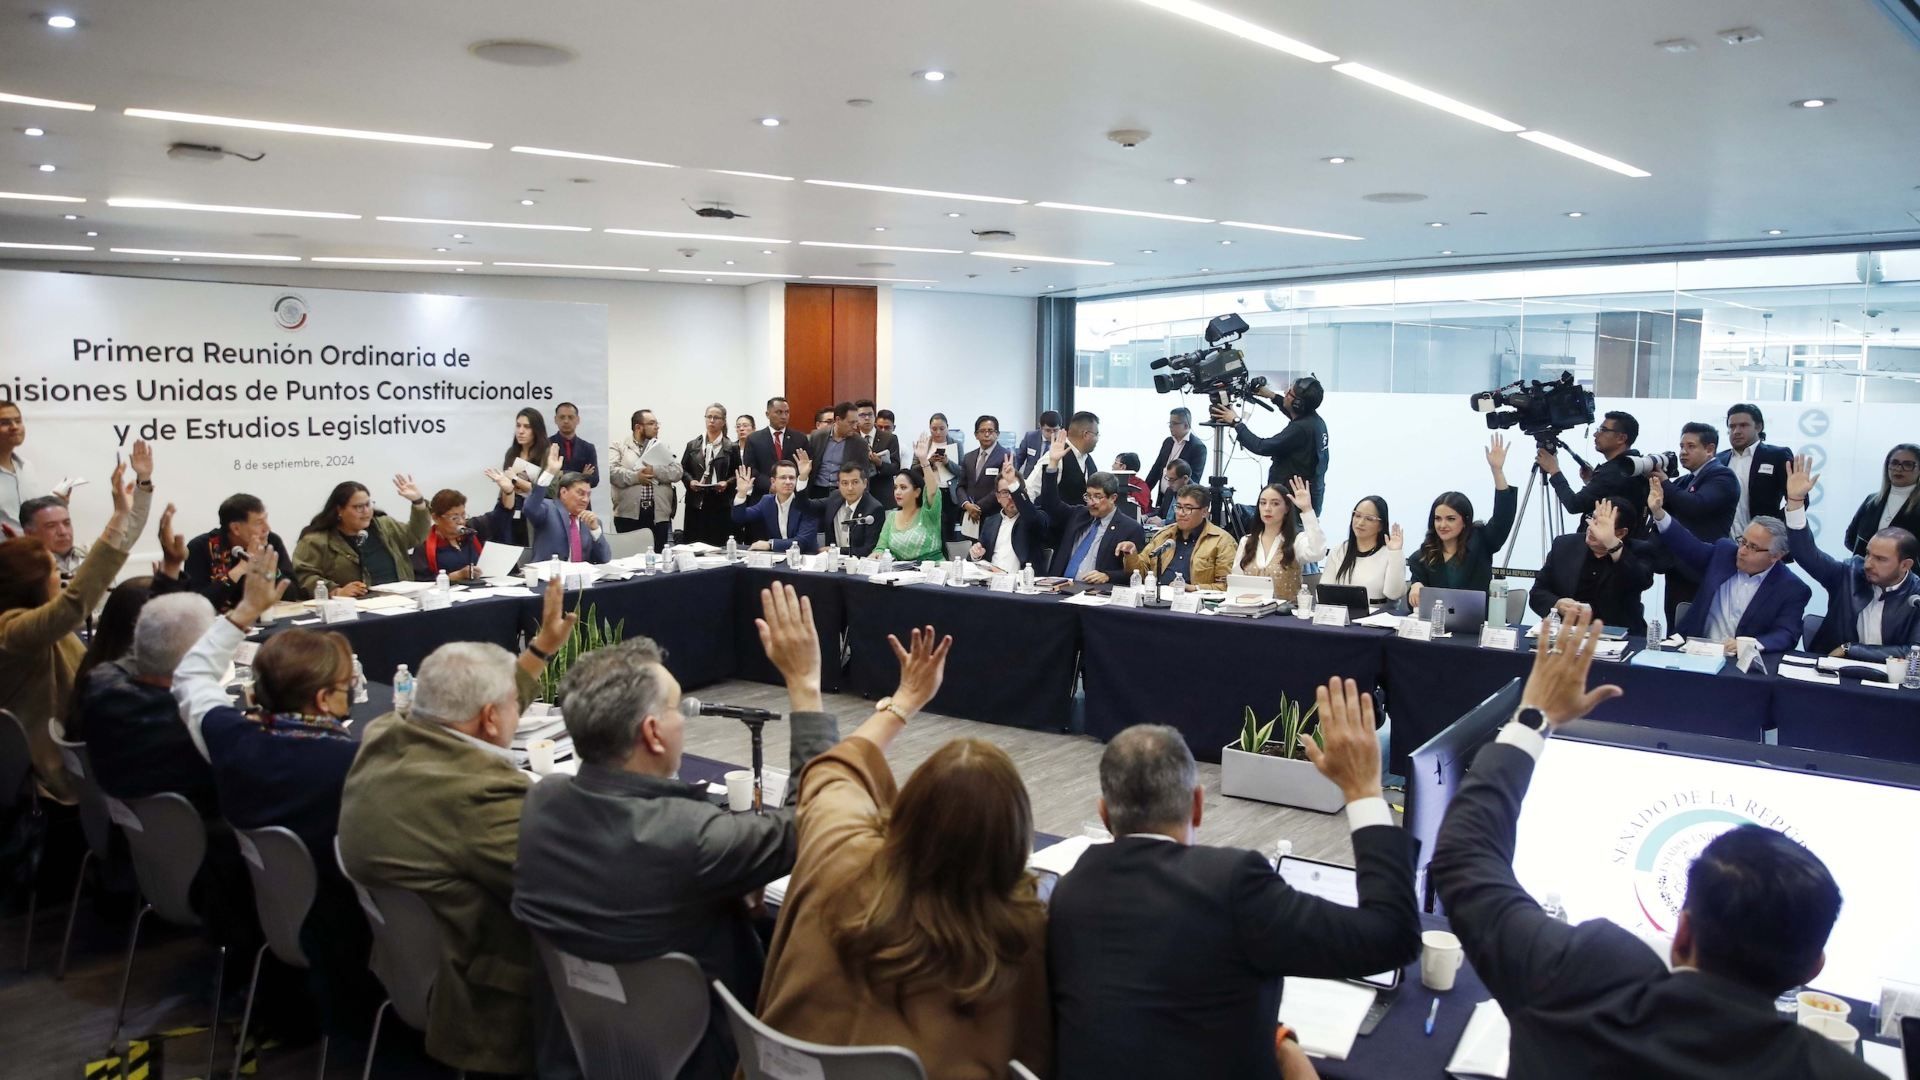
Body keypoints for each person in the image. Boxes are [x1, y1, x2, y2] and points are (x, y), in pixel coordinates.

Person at [1430, 607, 1877, 1080]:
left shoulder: (1576, 975)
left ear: (1682, 934)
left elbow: (1467, 859)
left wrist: (1531, 720)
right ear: (1813, 969)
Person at [515, 584, 839, 1079]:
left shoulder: (542, 803)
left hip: (582, 1047)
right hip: (705, 1057)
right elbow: (812, 818)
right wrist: (805, 686)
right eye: (676, 709)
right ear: (651, 732)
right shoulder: (692, 837)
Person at [1049, 685, 1420, 1080]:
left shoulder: (1068, 892)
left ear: (1105, 815)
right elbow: (1391, 935)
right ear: (1197, 806)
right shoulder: (1233, 884)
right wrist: (1363, 792)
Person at [756, 626, 1054, 1079]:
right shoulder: (1017, 936)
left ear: (905, 810)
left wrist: (901, 700)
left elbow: (833, 769)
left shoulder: (839, 854)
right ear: (1012, 845)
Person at [337, 578, 575, 1077]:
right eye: (513, 703)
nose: (518, 709)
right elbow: (574, 887)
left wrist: (538, 652)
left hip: (409, 968)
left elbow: (474, 710)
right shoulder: (480, 797)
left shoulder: (385, 736)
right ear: (491, 719)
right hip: (492, 998)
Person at [174, 543, 377, 1045]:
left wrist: (243, 613)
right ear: (325, 699)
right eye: (347, 682)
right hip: (349, 930)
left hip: (272, 914)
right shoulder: (357, 768)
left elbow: (190, 677)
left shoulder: (230, 738)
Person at [1, 441, 152, 801]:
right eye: (53, 571)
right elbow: (75, 602)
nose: (61, 575)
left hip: (78, 747)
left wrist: (128, 505)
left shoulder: (31, 624)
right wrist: (117, 517)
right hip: (54, 780)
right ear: (34, 581)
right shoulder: (14, 630)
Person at [1648, 478, 1808, 655]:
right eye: (1743, 542)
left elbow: (1787, 633)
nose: (1743, 551)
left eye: (1753, 547)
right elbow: (1687, 545)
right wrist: (1659, 513)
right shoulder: (1724, 554)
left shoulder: (1792, 588)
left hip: (1741, 662)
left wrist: (1751, 645)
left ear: (1776, 556)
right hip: (1695, 650)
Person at [1783, 455, 1920, 660]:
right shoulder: (1849, 574)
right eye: (1868, 554)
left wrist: (1850, 649)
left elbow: (1914, 652)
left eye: (1881, 559)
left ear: (1905, 565)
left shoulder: (1916, 597)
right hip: (1832, 673)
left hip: (1889, 680)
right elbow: (1806, 554)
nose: (1868, 564)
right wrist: (1795, 502)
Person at [1407, 435, 1515, 612]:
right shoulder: (1421, 556)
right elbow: (1416, 599)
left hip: (1476, 627)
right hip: (1437, 628)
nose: (1442, 525)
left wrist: (1497, 471)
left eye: (1450, 519)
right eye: (1438, 519)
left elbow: (1504, 517)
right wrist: (1416, 586)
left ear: (1465, 521)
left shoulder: (1482, 541)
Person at [1650, 422, 1740, 624]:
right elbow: (1660, 508)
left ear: (1710, 449)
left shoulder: (1722, 476)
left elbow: (1696, 506)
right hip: (1676, 568)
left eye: (1691, 446)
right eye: (1682, 446)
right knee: (1674, 627)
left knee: (1694, 629)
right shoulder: (1684, 480)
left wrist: (1664, 482)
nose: (1683, 452)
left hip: (1701, 568)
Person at [1527, 500, 1654, 635]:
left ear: (1621, 533)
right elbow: (1537, 593)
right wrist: (1557, 604)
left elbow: (1641, 581)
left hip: (1616, 635)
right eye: (1593, 519)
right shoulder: (1564, 545)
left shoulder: (1639, 551)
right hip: (1567, 633)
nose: (1592, 528)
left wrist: (1613, 546)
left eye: (1602, 526)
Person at [292, 475, 432, 595]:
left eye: (368, 504)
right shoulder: (317, 540)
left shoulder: (385, 525)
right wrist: (335, 591)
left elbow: (415, 536)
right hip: (353, 609)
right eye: (359, 507)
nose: (366, 511)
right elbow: (303, 575)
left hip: (400, 602)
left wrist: (418, 503)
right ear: (339, 510)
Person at [1036, 431, 1143, 585]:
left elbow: (1135, 573)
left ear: (1113, 498)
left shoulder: (1130, 529)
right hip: (1060, 587)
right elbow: (1050, 503)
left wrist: (1108, 576)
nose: (1092, 502)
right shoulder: (1079, 514)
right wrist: (1053, 464)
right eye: (1088, 496)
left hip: (1095, 594)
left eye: (1098, 497)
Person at [1212, 376, 1328, 512]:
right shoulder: (1314, 421)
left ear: (1298, 404)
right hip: (1305, 499)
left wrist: (1236, 422)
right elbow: (1293, 412)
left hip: (1292, 506)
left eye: (1289, 392)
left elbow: (1261, 446)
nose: (1285, 393)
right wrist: (1271, 396)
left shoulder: (1300, 429)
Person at [182, 493, 301, 612]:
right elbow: (198, 606)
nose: (267, 528)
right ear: (236, 529)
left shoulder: (271, 542)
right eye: (259, 523)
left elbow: (293, 595)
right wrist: (241, 568)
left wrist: (269, 569)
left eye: (266, 519)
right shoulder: (200, 547)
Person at [496, 443, 611, 564]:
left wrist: (595, 530)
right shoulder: (548, 509)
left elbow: (604, 559)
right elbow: (530, 507)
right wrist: (549, 472)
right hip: (550, 579)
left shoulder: (592, 521)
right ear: (564, 492)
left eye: (588, 495)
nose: (585, 499)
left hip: (581, 580)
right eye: (580, 493)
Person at [1538, 410, 1650, 523]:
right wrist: (1591, 481)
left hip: (1604, 538)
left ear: (1621, 438)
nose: (1595, 434)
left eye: (1603, 430)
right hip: (1622, 537)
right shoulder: (1633, 465)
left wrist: (1554, 470)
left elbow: (1574, 504)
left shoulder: (1613, 472)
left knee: (1561, 541)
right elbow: (1612, 495)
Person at [1119, 483, 1239, 588]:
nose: (1181, 513)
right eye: (1178, 507)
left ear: (1204, 512)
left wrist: (1192, 588)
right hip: (1158, 600)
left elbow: (1225, 586)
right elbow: (1141, 572)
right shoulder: (1164, 535)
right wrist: (1131, 555)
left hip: (1194, 606)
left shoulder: (1222, 541)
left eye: (1188, 508)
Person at [1228, 480, 1329, 601]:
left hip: (1285, 616)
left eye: (1275, 504)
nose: (1267, 508)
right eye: (1263, 503)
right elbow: (1236, 582)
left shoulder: (1295, 541)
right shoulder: (1246, 541)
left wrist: (1307, 510)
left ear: (1286, 508)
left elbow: (1317, 552)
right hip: (1249, 613)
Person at [608, 408, 682, 549]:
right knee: (631, 558)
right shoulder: (619, 446)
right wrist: (636, 477)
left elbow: (677, 471)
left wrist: (654, 471)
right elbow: (612, 472)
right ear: (638, 427)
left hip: (657, 514)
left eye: (657, 423)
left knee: (660, 558)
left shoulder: (662, 447)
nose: (657, 427)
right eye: (652, 423)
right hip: (628, 515)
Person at [1717, 403, 1793, 536]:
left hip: (1763, 544)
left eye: (1743, 425)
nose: (1736, 431)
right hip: (1723, 542)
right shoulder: (1718, 460)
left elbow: (1798, 499)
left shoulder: (1777, 455)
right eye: (1732, 426)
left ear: (1758, 427)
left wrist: (1775, 529)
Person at [1323, 496, 1407, 606]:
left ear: (1381, 526)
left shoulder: (1389, 553)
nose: (1361, 522)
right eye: (1357, 515)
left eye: (1369, 519)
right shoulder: (1339, 550)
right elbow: (1324, 591)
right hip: (1340, 615)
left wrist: (1395, 553)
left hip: (1377, 617)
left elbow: (1394, 594)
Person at [1842, 443, 1920, 557]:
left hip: (1906, 574)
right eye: (1894, 463)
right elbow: (1850, 539)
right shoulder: (1871, 501)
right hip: (1863, 572)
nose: (1899, 468)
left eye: (1908, 464)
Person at [873, 444, 948, 562]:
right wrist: (877, 554)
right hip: (901, 574)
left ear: (917, 492)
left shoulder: (928, 513)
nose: (897, 492)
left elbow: (933, 492)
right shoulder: (892, 516)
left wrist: (924, 461)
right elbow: (881, 548)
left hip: (932, 571)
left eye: (903, 488)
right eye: (895, 488)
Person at [970, 465, 1051, 572]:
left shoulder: (1036, 517)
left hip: (1021, 583)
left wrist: (1015, 488)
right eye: (1005, 492)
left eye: (1013, 491)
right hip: (991, 582)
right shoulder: (990, 522)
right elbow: (981, 555)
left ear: (1024, 492)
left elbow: (1032, 517)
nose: (1010, 497)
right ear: (998, 497)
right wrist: (976, 554)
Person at [0, 399, 62, 536]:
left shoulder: (27, 467)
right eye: (4, 423)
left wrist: (55, 505)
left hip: (32, 553)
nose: (14, 427)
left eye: (18, 420)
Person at [683, 403, 741, 546]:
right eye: (709, 417)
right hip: (696, 503)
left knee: (718, 544)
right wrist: (690, 481)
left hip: (721, 503)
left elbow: (739, 473)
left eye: (716, 417)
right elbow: (682, 470)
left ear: (723, 421)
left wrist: (727, 483)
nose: (712, 421)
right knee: (694, 544)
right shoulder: (693, 445)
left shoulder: (731, 447)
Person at [732, 459, 819, 554]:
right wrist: (741, 494)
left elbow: (802, 542)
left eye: (792, 478)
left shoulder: (808, 506)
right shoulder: (767, 501)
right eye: (783, 478)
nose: (788, 482)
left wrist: (770, 544)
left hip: (805, 559)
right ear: (773, 481)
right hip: (778, 559)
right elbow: (739, 517)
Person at [497, 406, 554, 547]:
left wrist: (516, 480)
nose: (520, 431)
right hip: (511, 509)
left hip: (534, 513)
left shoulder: (547, 454)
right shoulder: (512, 452)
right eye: (518, 426)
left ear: (537, 430)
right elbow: (506, 487)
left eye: (527, 427)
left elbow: (549, 491)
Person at [1025, 410, 1099, 507]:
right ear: (1086, 434)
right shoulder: (1055, 457)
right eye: (1096, 434)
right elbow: (1030, 490)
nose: (1098, 439)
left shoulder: (1088, 460)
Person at [409, 489, 485, 581]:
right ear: (436, 518)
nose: (461, 521)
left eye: (463, 515)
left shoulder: (470, 534)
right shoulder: (424, 543)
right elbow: (420, 580)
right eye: (454, 518)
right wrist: (456, 576)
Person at [801, 401, 872, 500]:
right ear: (838, 420)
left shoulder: (859, 443)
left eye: (856, 422)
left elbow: (864, 475)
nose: (855, 427)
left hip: (842, 493)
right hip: (816, 491)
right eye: (851, 423)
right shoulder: (816, 437)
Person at [818, 461, 886, 557]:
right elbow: (807, 506)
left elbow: (869, 549)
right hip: (832, 563)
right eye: (845, 483)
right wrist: (803, 478)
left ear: (865, 483)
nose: (850, 488)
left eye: (855, 482)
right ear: (839, 485)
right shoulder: (834, 498)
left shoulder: (874, 509)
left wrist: (836, 551)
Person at [1145, 406, 1209, 506]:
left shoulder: (1197, 447)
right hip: (1162, 497)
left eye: (1174, 423)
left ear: (1186, 425)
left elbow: (1194, 480)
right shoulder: (1168, 442)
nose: (1170, 426)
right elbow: (1156, 469)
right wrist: (1144, 491)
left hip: (1179, 501)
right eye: (1170, 423)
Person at [741, 396, 800, 501]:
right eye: (779, 412)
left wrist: (788, 484)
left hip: (792, 495)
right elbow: (750, 468)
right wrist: (771, 485)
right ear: (767, 414)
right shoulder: (754, 439)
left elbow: (803, 467)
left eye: (787, 412)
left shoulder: (799, 438)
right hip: (763, 495)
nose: (784, 416)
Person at [956, 414, 1012, 525]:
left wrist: (977, 508)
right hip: (970, 515)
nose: (986, 434)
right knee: (972, 543)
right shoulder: (968, 457)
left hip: (993, 515)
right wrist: (967, 505)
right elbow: (960, 486)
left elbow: (1002, 488)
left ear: (997, 434)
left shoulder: (1006, 456)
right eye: (982, 431)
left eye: (990, 431)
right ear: (976, 435)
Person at [18, 496, 84, 579]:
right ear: (29, 533)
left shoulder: (88, 555)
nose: (63, 532)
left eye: (66, 523)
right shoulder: (24, 571)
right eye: (51, 526)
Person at [855, 399, 901, 497]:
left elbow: (896, 468)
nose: (867, 418)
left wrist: (879, 463)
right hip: (858, 494)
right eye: (862, 415)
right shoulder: (851, 438)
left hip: (883, 495)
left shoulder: (889, 438)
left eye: (870, 414)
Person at [551, 401, 599, 488]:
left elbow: (594, 480)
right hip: (553, 499)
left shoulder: (588, 448)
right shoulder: (546, 444)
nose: (566, 421)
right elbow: (544, 477)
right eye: (562, 417)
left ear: (578, 420)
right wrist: (581, 475)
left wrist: (560, 473)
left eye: (570, 417)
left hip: (581, 499)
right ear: (555, 419)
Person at [1013, 409, 1062, 479]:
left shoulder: (1063, 442)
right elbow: (1018, 459)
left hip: (1053, 480)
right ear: (1040, 427)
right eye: (1048, 430)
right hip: (1030, 480)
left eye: (1055, 430)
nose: (1052, 434)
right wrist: (1014, 476)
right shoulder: (1030, 437)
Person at [1148, 459, 1194, 527]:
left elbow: (1189, 522)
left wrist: (1163, 523)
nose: (1169, 484)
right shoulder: (1170, 490)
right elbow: (1160, 512)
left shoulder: (1195, 495)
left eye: (1172, 480)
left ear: (1185, 479)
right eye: (1167, 479)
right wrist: (1146, 517)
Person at [1111, 452, 1151, 517]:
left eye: (1115, 463)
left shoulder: (1140, 486)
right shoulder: (1111, 482)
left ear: (1123, 467)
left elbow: (1141, 510)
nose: (1112, 466)